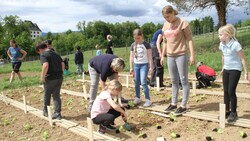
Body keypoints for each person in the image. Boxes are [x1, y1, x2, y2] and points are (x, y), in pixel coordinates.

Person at [160, 5, 195, 115]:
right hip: (170, 56)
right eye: (165, 17)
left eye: (168, 16)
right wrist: (162, 55)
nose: (167, 19)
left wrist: (192, 55)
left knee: (183, 80)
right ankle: (173, 103)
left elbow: (189, 39)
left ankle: (183, 105)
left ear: (173, 13)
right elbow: (165, 42)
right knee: (174, 80)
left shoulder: (183, 22)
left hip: (181, 54)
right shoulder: (165, 25)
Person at [218, 24, 249, 122]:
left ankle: (233, 112)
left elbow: (243, 59)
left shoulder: (235, 44)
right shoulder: (222, 44)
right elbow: (223, 56)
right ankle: (226, 110)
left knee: (231, 91)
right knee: (225, 91)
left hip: (235, 70)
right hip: (226, 69)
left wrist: (246, 73)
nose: (219, 36)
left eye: (220, 34)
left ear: (227, 35)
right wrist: (223, 67)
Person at [35, 42, 65, 120]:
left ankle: (45, 111)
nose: (39, 53)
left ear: (40, 49)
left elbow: (45, 65)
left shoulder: (43, 54)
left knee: (47, 94)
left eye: (38, 52)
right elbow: (63, 64)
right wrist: (61, 73)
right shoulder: (56, 54)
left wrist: (42, 76)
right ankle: (57, 113)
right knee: (56, 95)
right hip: (59, 77)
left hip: (50, 78)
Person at [130, 28, 153, 107]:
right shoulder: (133, 45)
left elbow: (150, 57)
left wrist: (151, 67)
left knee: (143, 82)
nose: (137, 40)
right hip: (136, 65)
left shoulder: (146, 44)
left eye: (138, 38)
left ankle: (148, 99)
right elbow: (131, 56)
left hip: (144, 65)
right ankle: (137, 97)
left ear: (142, 36)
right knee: (136, 82)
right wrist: (131, 67)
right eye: (135, 38)